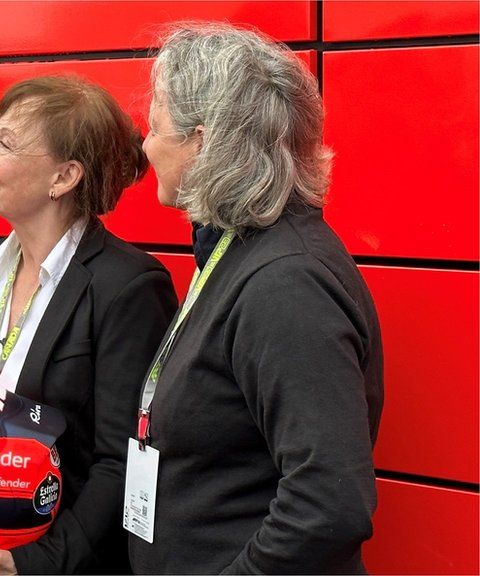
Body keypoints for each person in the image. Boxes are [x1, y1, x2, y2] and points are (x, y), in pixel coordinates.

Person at [127, 24, 383, 574]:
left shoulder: (286, 282)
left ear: (203, 141)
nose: (145, 144)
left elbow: (328, 506)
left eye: (155, 125)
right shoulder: (238, 249)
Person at [0, 76, 179, 574]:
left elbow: (123, 464)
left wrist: (33, 565)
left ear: (64, 177)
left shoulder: (127, 287)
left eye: (5, 143)